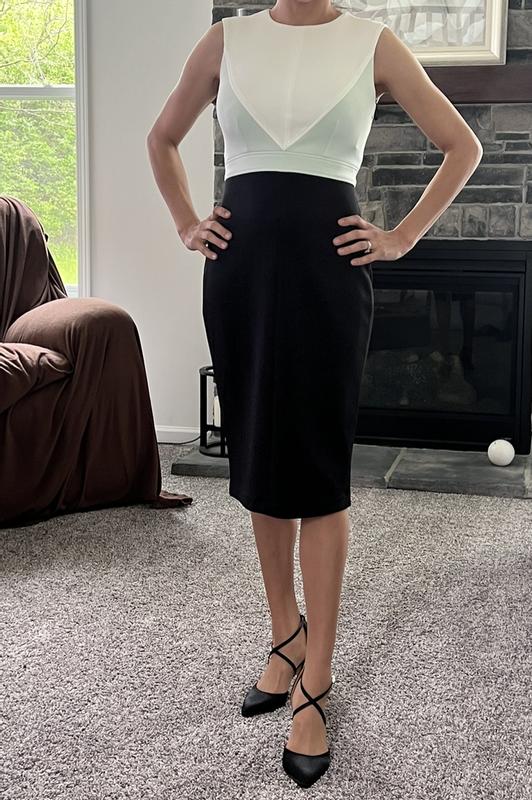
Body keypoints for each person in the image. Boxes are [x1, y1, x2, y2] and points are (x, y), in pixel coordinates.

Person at [147, 0, 482, 788]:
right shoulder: (226, 40)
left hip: (330, 276)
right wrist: (187, 221)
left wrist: (401, 234)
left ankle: (316, 681)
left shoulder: (374, 43)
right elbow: (161, 138)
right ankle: (285, 636)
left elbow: (462, 146)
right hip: (240, 276)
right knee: (262, 461)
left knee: (320, 475)